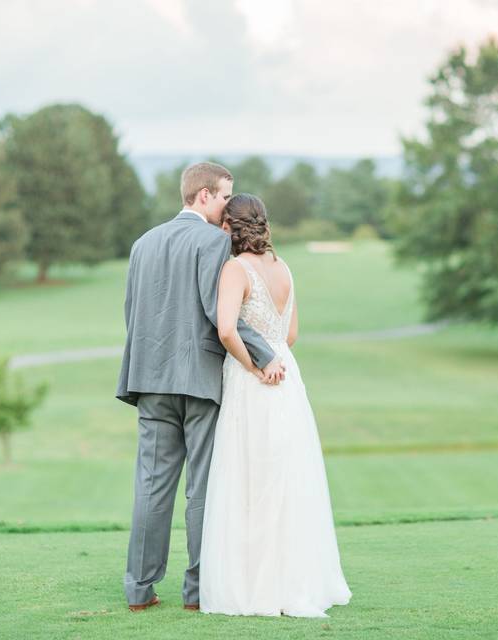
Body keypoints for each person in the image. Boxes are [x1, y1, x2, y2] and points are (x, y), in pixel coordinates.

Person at [116, 162, 287, 612]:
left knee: (152, 487)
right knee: (202, 488)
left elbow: (133, 314)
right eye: (226, 197)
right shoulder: (214, 242)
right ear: (205, 196)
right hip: (199, 381)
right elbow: (220, 316)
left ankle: (139, 589)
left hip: (149, 380)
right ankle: (197, 591)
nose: (230, 206)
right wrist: (267, 355)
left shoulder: (142, 243)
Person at [199, 193, 352, 617]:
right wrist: (272, 361)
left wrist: (253, 367)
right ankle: (293, 581)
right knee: (286, 476)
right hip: (288, 376)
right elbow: (291, 335)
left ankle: (257, 588)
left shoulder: (235, 268)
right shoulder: (283, 267)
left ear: (228, 227)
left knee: (251, 478)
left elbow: (227, 329)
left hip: (256, 382)